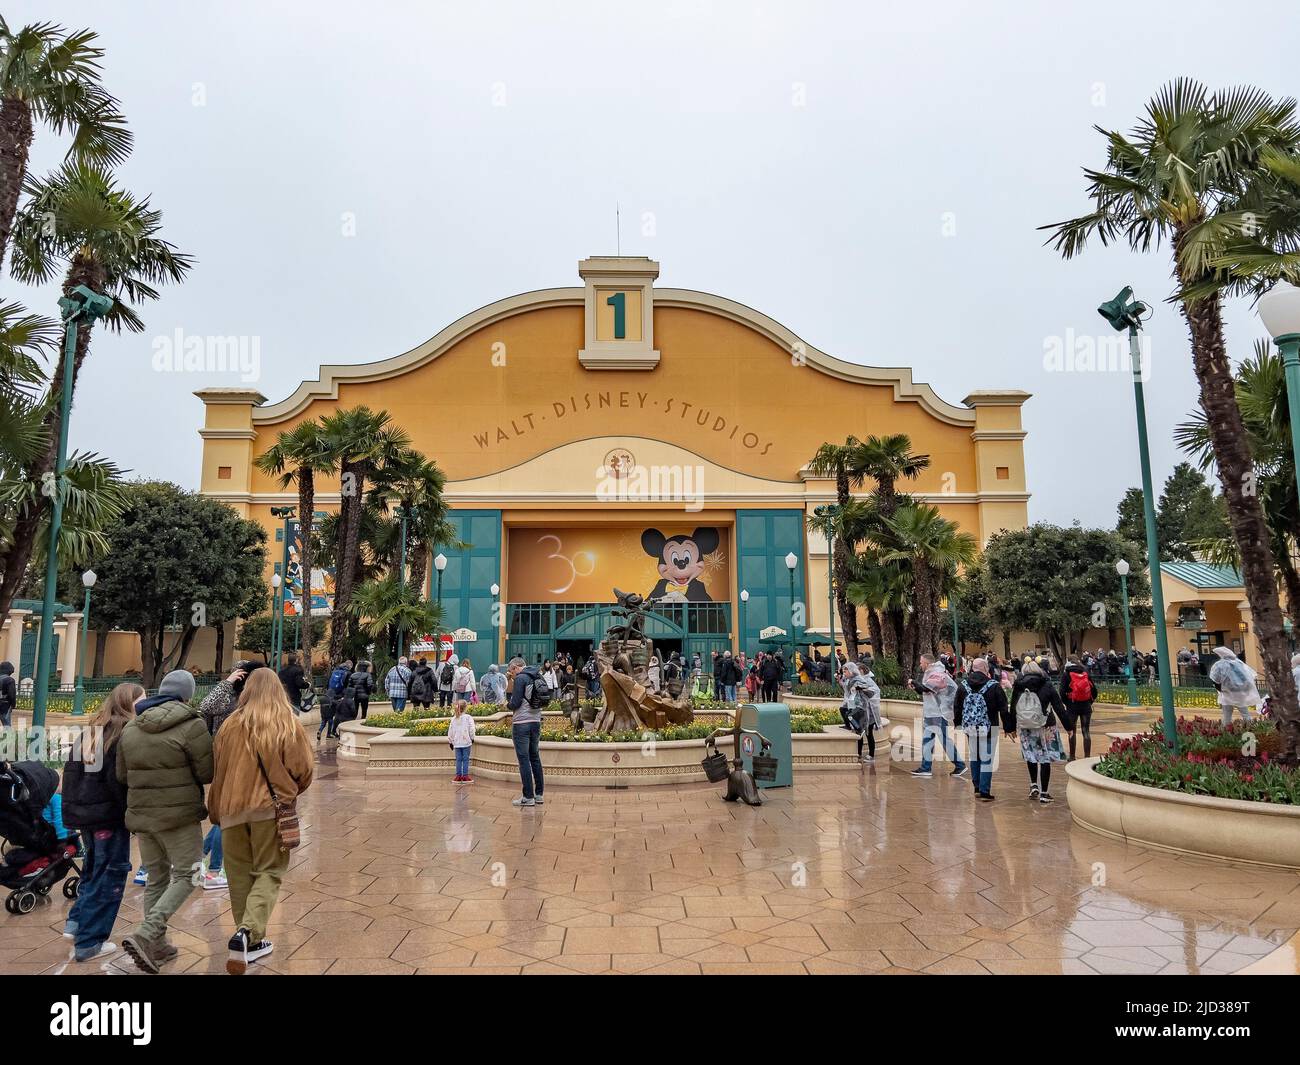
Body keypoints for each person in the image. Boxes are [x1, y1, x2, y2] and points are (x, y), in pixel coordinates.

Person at [206, 667, 314, 975]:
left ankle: (248, 943)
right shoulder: (285, 723)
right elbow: (303, 769)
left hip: (230, 811)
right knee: (269, 871)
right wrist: (288, 791)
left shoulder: (229, 726)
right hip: (268, 810)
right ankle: (248, 933)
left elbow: (219, 770)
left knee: (239, 876)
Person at [116, 669, 214, 974]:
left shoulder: (131, 728)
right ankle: (147, 933)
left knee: (157, 878)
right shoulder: (191, 724)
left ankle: (156, 945)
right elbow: (207, 772)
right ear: (188, 694)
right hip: (179, 817)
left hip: (144, 816)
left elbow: (122, 775)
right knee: (189, 875)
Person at [62, 682, 143, 962]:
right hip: (109, 817)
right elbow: (119, 782)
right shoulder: (125, 733)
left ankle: (76, 923)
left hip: (87, 817)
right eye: (140, 702)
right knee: (111, 875)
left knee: (94, 870)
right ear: (128, 704)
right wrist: (129, 815)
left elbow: (70, 775)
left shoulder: (92, 731)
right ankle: (90, 941)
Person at [198, 663, 264, 891]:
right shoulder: (230, 700)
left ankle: (201, 858)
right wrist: (227, 682)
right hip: (229, 763)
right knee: (227, 817)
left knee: (226, 816)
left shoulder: (248, 702)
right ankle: (214, 870)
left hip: (239, 764)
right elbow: (205, 706)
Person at [1009, 659, 1065, 803]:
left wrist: (1010, 727)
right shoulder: (1046, 684)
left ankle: (1034, 784)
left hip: (1026, 726)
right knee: (1045, 757)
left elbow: (1013, 707)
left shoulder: (1019, 686)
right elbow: (1058, 706)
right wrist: (1069, 726)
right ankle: (1044, 793)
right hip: (1046, 725)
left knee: (1031, 755)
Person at [910, 654, 967, 779]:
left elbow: (927, 688)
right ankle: (925, 768)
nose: (920, 665)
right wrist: (916, 686)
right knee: (928, 740)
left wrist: (914, 682)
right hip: (932, 713)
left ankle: (960, 765)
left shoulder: (938, 673)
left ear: (927, 663)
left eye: (921, 662)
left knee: (943, 740)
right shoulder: (933, 673)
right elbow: (925, 690)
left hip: (938, 714)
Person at [961, 658, 1009, 801]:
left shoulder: (963, 685)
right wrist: (1008, 727)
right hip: (990, 727)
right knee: (987, 758)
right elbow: (1003, 708)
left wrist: (958, 723)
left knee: (974, 756)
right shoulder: (994, 686)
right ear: (985, 668)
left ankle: (976, 786)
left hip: (970, 728)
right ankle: (984, 790)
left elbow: (957, 706)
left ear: (973, 669)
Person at [505, 656, 545, 807]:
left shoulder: (521, 678)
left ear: (516, 667)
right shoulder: (537, 675)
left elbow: (515, 702)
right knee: (535, 757)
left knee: (524, 760)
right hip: (535, 721)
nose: (511, 674)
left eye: (511, 671)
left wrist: (507, 705)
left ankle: (528, 796)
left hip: (521, 723)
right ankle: (539, 794)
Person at [839, 661, 881, 763]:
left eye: (846, 671)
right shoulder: (850, 680)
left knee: (868, 733)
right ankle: (858, 754)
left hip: (866, 711)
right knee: (860, 733)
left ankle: (871, 755)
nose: (845, 673)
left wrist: (857, 688)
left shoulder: (860, 679)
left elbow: (871, 690)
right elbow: (848, 691)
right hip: (857, 708)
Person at [1208, 646, 1261, 726]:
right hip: (1240, 692)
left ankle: (1226, 729)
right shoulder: (1239, 663)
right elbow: (1247, 677)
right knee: (1245, 712)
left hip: (1226, 692)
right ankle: (1250, 727)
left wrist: (1220, 688)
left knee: (1227, 714)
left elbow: (1216, 679)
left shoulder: (1220, 665)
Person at [1058, 654, 1098, 759]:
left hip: (1072, 706)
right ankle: (1087, 756)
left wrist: (1067, 703)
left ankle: (1072, 756)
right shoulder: (1085, 671)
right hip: (1086, 706)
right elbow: (1094, 690)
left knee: (1072, 731)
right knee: (1086, 730)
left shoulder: (1066, 673)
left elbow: (1062, 692)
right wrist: (1089, 701)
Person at [449, 699, 477, 783]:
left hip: (457, 743)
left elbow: (450, 731)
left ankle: (458, 776)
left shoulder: (453, 719)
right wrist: (472, 738)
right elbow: (471, 729)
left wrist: (450, 741)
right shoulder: (468, 718)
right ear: (465, 708)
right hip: (466, 742)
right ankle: (465, 776)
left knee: (458, 759)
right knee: (465, 759)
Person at [0, 660, 15, 727]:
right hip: (5, 705)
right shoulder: (10, 680)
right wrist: (13, 704)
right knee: (6, 725)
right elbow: (12, 694)